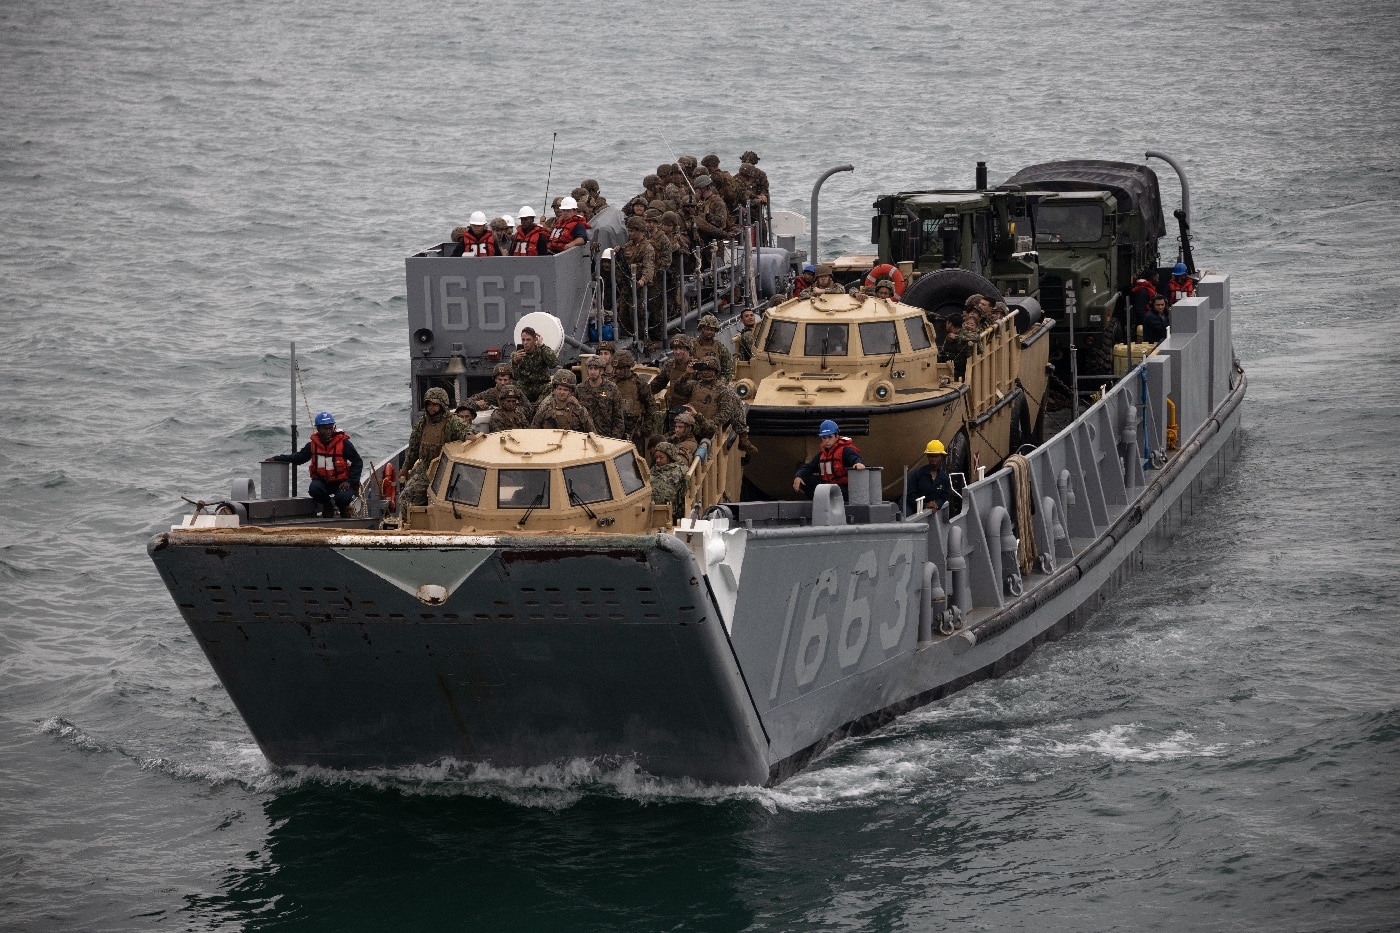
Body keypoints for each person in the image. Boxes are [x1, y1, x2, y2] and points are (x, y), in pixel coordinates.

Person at [268, 410, 363, 518]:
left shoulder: (344, 444)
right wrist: (277, 458)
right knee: (314, 489)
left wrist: (349, 481)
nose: (328, 431)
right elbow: (298, 458)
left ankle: (343, 508)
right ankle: (327, 505)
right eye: (324, 428)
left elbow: (357, 462)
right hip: (323, 482)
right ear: (318, 429)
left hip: (341, 483)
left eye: (330, 428)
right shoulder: (312, 445)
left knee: (343, 497)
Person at [400, 387, 474, 514]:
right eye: (429, 404)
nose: (431, 408)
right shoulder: (423, 423)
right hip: (426, 469)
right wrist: (405, 469)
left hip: (448, 469)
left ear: (442, 405)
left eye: (435, 404)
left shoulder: (452, 421)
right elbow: (413, 448)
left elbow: (466, 431)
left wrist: (467, 435)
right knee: (406, 499)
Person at [688, 355, 756, 453]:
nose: (706, 372)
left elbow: (724, 414)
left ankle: (743, 436)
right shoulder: (694, 384)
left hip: (708, 424)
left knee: (734, 397)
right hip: (691, 423)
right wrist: (687, 372)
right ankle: (743, 435)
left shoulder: (724, 390)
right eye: (703, 369)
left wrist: (710, 424)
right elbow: (679, 389)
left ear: (715, 372)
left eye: (709, 370)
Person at [793, 419, 866, 497]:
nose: (827, 441)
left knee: (834, 491)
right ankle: (820, 500)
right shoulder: (821, 454)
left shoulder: (845, 451)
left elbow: (854, 458)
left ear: (836, 437)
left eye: (830, 437)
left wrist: (858, 463)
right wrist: (799, 476)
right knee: (805, 479)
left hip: (843, 489)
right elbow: (809, 466)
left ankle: (827, 498)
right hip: (827, 487)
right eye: (824, 438)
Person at [611, 349, 656, 448]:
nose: (618, 371)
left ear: (628, 367)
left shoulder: (639, 384)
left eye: (621, 368)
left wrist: (644, 429)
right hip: (614, 429)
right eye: (616, 368)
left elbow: (651, 406)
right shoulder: (610, 384)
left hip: (634, 430)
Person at [530, 369, 597, 432]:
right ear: (554, 390)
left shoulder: (579, 410)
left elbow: (592, 433)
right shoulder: (545, 409)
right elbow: (533, 431)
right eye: (559, 389)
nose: (561, 392)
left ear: (571, 392)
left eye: (565, 390)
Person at [576, 357, 625, 439]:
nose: (592, 372)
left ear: (601, 371)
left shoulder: (612, 388)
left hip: (606, 436)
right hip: (586, 437)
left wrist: (614, 439)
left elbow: (618, 417)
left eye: (595, 369)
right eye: (590, 368)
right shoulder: (580, 389)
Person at [511, 326, 559, 404]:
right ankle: (525, 405)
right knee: (512, 386)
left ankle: (538, 406)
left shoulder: (542, 350)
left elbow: (554, 363)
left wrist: (542, 346)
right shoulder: (516, 355)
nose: (525, 343)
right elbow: (514, 377)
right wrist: (515, 362)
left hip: (541, 386)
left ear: (535, 340)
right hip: (525, 387)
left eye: (528, 340)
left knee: (551, 387)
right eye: (523, 340)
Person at [904, 439, 953, 514]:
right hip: (911, 506)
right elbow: (909, 494)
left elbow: (944, 496)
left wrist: (936, 504)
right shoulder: (917, 474)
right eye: (931, 456)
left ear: (941, 457)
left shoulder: (944, 478)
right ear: (927, 456)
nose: (933, 459)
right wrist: (924, 505)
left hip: (930, 507)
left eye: (936, 456)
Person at [649, 441, 690, 522]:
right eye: (656, 457)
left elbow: (684, 493)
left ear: (669, 457)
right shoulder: (653, 470)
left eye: (661, 457)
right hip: (652, 511)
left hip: (671, 513)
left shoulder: (680, 471)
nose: (658, 460)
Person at [693, 314, 734, 382]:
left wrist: (719, 382)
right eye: (707, 329)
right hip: (695, 383)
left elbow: (728, 370)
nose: (709, 332)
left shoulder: (720, 347)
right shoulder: (692, 345)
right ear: (701, 329)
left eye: (712, 330)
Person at [939, 314, 978, 380]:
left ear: (950, 324)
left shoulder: (964, 333)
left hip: (960, 370)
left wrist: (956, 337)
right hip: (952, 367)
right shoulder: (950, 336)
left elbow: (976, 337)